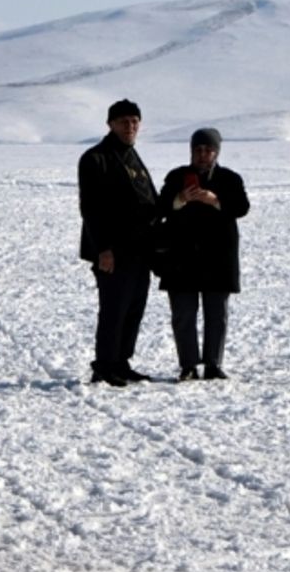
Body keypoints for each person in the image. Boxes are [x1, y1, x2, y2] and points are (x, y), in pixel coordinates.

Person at [156, 128, 250, 381]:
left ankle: (213, 364)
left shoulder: (230, 179)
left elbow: (242, 207)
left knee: (216, 314)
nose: (202, 154)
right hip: (181, 257)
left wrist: (215, 200)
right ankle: (188, 365)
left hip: (217, 258)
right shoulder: (176, 177)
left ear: (216, 152)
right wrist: (179, 199)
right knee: (183, 314)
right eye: (198, 149)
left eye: (208, 150)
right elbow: (159, 206)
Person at [78, 99, 159, 387]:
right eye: (124, 121)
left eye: (135, 121)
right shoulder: (96, 158)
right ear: (110, 124)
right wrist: (103, 249)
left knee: (133, 307)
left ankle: (122, 361)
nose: (130, 126)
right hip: (113, 250)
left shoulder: (132, 157)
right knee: (114, 308)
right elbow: (91, 209)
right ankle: (104, 364)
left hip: (140, 249)